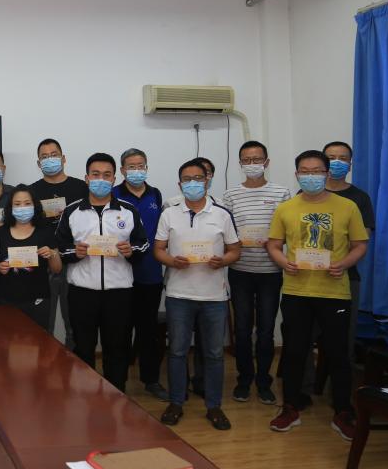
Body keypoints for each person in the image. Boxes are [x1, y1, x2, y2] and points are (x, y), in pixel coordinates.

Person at [266, 150, 368, 441]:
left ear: (326, 173)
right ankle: (290, 406)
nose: (311, 176)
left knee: (338, 353)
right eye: (305, 171)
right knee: (294, 351)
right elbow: (273, 244)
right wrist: (283, 262)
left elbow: (360, 245)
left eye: (317, 171)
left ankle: (343, 411)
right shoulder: (286, 208)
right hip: (297, 291)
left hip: (334, 291)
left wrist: (344, 264)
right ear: (297, 174)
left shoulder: (347, 206)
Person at [154, 159, 241, 431]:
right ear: (180, 184)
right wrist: (171, 261)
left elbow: (235, 250)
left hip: (214, 297)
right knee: (177, 351)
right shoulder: (169, 213)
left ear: (207, 181)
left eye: (198, 178)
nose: (192, 183)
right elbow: (158, 249)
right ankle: (176, 402)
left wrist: (223, 261)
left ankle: (214, 406)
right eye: (187, 179)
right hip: (179, 294)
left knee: (214, 354)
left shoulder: (222, 214)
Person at [57, 153, 148, 392]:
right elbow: (61, 248)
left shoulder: (128, 210)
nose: (101, 179)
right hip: (82, 292)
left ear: (114, 179)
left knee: (117, 347)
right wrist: (75, 252)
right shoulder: (72, 211)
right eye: (95, 174)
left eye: (107, 175)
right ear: (86, 178)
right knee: (83, 348)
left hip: (119, 292)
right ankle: (86, 396)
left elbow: (143, 245)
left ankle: (116, 395)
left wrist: (131, 251)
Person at [222, 141, 290, 405]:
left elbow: (287, 230)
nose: (252, 164)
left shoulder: (281, 193)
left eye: (257, 159)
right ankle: (243, 380)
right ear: (240, 164)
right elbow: (226, 232)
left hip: (270, 271)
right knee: (241, 329)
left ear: (267, 162)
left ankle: (263, 381)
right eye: (247, 160)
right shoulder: (230, 195)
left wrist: (274, 241)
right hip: (240, 271)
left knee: (265, 329)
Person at [112, 148, 168, 401]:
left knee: (148, 330)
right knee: (121, 331)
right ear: (122, 170)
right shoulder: (113, 194)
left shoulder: (155, 194)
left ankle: (151, 380)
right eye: (131, 166)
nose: (136, 170)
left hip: (151, 272)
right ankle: (118, 382)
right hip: (120, 273)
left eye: (141, 165)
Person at [28, 138, 88, 346]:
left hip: (76, 260)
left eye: (54, 155)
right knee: (45, 323)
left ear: (63, 158)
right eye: (44, 157)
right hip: (44, 263)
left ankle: (74, 361)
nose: (49, 159)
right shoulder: (32, 191)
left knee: (75, 323)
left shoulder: (81, 187)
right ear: (38, 163)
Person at [322, 141, 375, 355]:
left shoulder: (360, 198)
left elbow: (362, 240)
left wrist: (342, 263)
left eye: (343, 158)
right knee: (303, 335)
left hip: (346, 275)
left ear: (350, 164)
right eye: (331, 158)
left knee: (344, 337)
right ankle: (307, 378)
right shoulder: (305, 194)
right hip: (308, 277)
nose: (336, 162)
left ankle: (342, 376)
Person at [0, 184, 61, 331]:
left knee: (38, 342)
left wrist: (51, 254)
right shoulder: (0, 232)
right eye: (17, 204)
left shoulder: (45, 231)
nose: (22, 207)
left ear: (35, 205)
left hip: (38, 300)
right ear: (10, 207)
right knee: (7, 341)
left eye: (27, 203)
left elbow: (57, 269)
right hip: (6, 300)